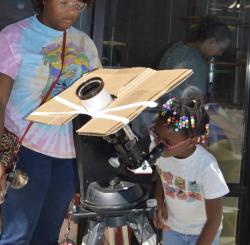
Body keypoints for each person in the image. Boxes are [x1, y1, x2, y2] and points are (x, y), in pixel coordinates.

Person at [0, 0, 101, 244]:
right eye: (64, 2)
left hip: (68, 156)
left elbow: (98, 96)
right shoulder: (14, 37)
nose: (71, 11)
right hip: (25, 151)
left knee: (48, 234)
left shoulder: (85, 43)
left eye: (79, 5)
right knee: (18, 236)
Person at [151, 97, 229, 245]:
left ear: (192, 141)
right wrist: (159, 200)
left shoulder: (207, 167)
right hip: (172, 229)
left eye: (167, 142)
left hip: (204, 232)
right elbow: (163, 175)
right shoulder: (161, 153)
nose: (159, 145)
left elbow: (215, 218)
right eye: (157, 136)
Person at [158, 16, 231, 100]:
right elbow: (196, 103)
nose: (220, 54)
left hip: (164, 110)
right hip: (178, 111)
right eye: (221, 49)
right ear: (212, 42)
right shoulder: (197, 61)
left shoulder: (175, 48)